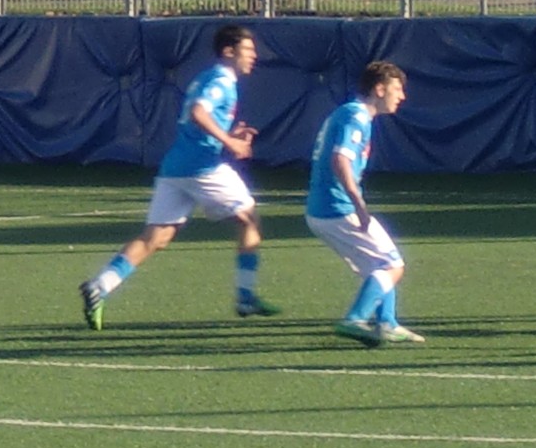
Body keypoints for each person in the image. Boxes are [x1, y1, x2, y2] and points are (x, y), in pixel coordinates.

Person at [79, 24, 280, 330]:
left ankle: (100, 286)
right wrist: (230, 141)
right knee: (250, 219)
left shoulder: (208, 78)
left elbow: (197, 119)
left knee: (156, 237)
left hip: (176, 168)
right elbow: (199, 113)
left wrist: (230, 133)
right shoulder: (221, 79)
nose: (254, 56)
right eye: (248, 50)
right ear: (229, 51)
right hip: (202, 168)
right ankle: (246, 296)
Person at [305, 60, 424, 347]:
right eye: (397, 89)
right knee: (392, 265)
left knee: (381, 263)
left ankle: (387, 323)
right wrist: (357, 200)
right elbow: (340, 159)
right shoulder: (355, 115)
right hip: (337, 207)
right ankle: (355, 319)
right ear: (379, 89)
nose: (402, 96)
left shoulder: (352, 114)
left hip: (326, 207)